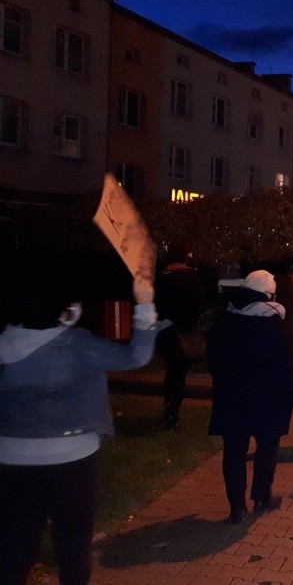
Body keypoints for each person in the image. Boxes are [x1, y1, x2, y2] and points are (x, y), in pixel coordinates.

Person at [0, 265, 157, 585]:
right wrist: (144, 306)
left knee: (15, 548)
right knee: (73, 547)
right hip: (72, 459)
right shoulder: (79, 345)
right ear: (62, 308)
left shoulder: (4, 345)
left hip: (11, 459)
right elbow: (136, 356)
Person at [206, 270, 293, 524]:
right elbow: (285, 364)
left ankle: (237, 507)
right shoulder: (274, 323)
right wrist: (289, 394)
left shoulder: (227, 318)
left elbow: (213, 357)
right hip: (266, 399)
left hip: (232, 397)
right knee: (267, 446)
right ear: (268, 293)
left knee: (233, 450)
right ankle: (261, 496)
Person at [154, 244, 206, 430]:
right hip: (182, 332)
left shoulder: (160, 277)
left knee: (172, 372)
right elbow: (197, 306)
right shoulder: (191, 277)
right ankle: (172, 413)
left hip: (163, 330)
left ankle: (169, 409)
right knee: (178, 374)